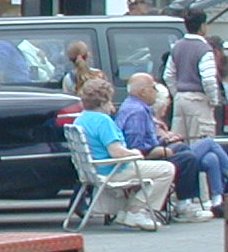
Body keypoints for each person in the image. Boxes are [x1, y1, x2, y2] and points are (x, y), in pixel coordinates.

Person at [116, 72, 228, 221]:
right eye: (153, 88)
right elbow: (135, 145)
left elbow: (143, 138)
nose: (156, 92)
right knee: (191, 155)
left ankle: (212, 195)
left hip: (151, 151)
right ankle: (189, 204)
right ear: (143, 91)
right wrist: (159, 149)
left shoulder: (135, 107)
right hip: (144, 159)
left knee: (203, 155)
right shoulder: (137, 112)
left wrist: (163, 140)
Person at [73, 77, 171, 231]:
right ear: (104, 101)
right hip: (113, 170)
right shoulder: (103, 121)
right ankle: (136, 210)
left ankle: (128, 211)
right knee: (167, 169)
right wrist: (135, 153)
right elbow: (116, 152)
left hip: (93, 170)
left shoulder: (81, 119)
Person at [162, 10, 220, 141]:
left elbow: (168, 75)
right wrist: (213, 100)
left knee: (178, 140)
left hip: (180, 99)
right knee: (200, 142)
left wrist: (176, 93)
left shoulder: (177, 46)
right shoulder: (204, 49)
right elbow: (209, 79)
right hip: (198, 100)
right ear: (202, 26)